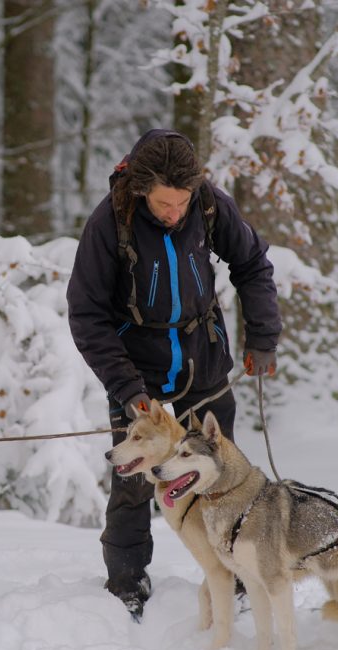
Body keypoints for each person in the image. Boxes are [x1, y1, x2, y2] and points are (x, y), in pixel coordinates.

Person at [66, 129, 282, 620]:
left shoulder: (207, 203)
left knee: (224, 475)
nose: (175, 212)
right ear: (142, 189)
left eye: (182, 201)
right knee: (134, 483)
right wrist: (127, 389)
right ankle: (126, 580)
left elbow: (251, 262)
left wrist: (263, 337)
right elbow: (86, 313)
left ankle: (239, 571)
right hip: (139, 374)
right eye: (165, 203)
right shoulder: (109, 223)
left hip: (203, 361)